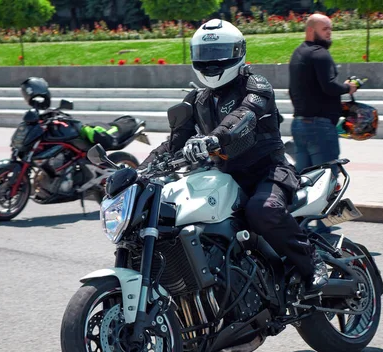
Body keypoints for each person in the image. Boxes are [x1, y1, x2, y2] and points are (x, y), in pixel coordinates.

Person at [139, 18, 328, 293]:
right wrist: (140, 170)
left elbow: (244, 117)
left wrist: (215, 138)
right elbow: (174, 143)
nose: (211, 63)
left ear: (238, 52)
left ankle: (313, 264)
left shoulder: (256, 84)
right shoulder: (197, 100)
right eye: (205, 55)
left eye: (219, 54)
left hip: (269, 172)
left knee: (262, 210)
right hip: (224, 177)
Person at [288, 13, 358, 175]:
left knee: (303, 179)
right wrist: (348, 87)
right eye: (325, 29)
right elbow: (330, 86)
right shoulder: (320, 53)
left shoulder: (297, 54)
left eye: (330, 29)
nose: (329, 33)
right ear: (311, 30)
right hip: (319, 128)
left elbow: (293, 90)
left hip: (299, 124)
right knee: (326, 179)